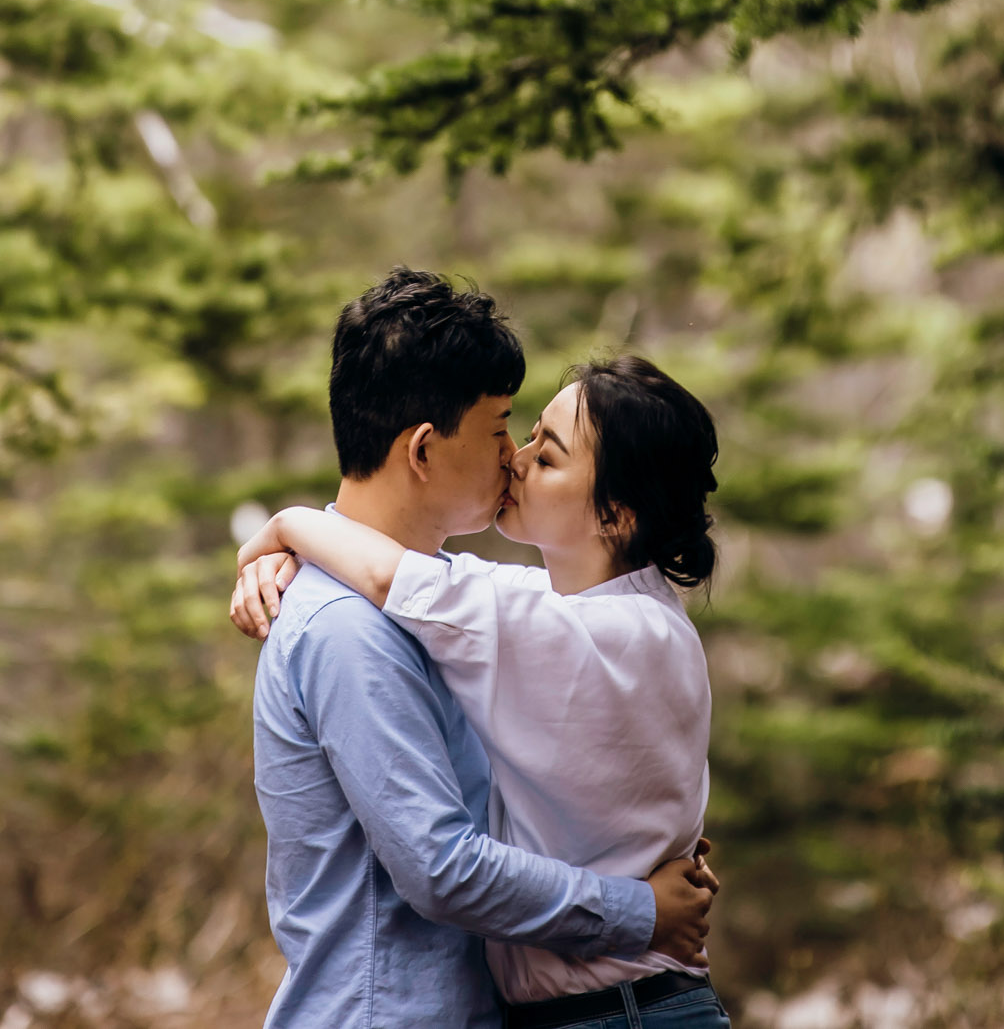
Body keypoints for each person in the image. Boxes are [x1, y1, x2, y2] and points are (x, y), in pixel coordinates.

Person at [235, 268, 719, 1029]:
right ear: (424, 451)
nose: (512, 458)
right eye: (501, 431)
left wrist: (291, 533)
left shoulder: (480, 610)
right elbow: (441, 869)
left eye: (537, 446)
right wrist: (639, 907)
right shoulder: (347, 628)